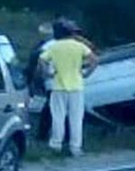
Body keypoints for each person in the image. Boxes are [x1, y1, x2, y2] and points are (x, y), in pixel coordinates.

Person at [38, 19, 98, 156]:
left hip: (58, 86)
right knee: (76, 118)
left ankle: (56, 144)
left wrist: (47, 73)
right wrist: (86, 73)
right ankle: (75, 147)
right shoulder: (79, 46)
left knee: (58, 117)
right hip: (76, 86)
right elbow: (94, 60)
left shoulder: (54, 47)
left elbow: (41, 60)